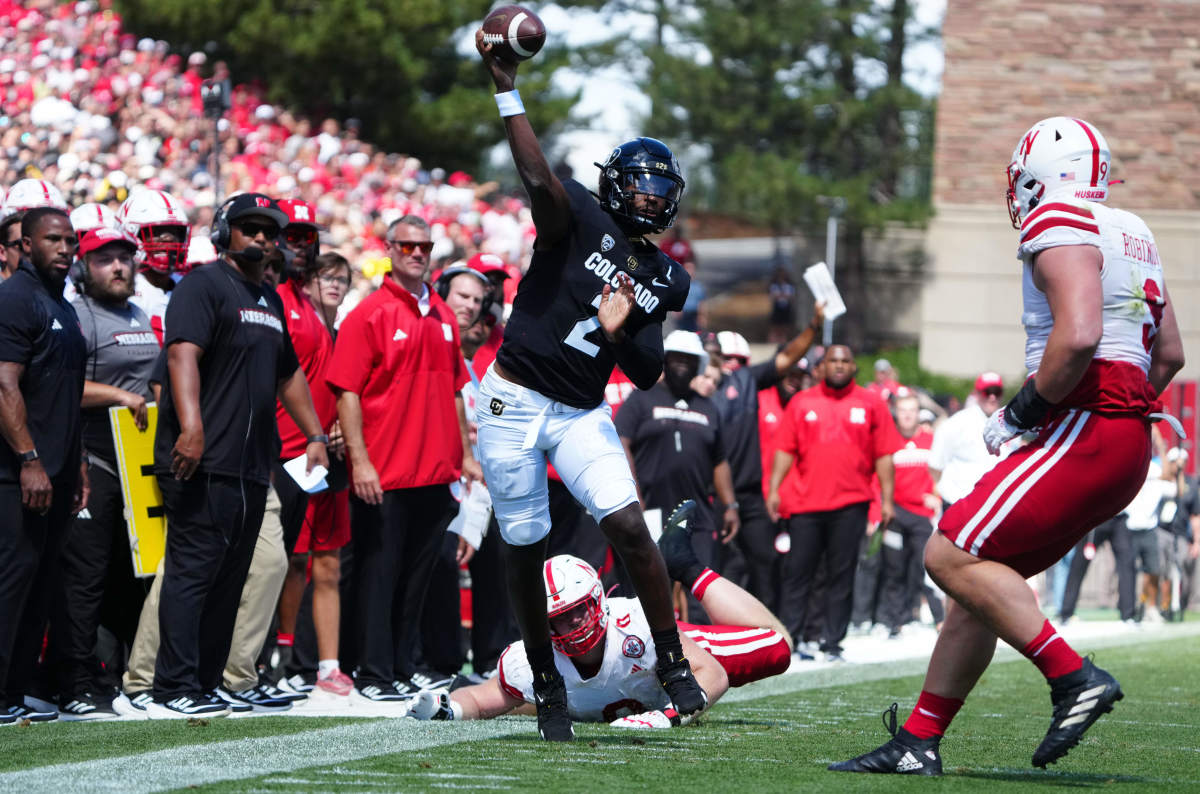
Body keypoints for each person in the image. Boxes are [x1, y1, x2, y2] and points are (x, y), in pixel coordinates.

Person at [832, 117, 1185, 775]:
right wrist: (1119, 412)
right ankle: (918, 741)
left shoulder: (1057, 215)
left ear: (1043, 175)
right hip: (1125, 435)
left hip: (1085, 421)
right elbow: (1169, 355)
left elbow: (1078, 336)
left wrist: (1027, 412)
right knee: (984, 583)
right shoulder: (1134, 229)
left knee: (949, 554)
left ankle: (1071, 677)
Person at [473, 29, 703, 743]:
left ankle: (672, 665)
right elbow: (539, 179)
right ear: (613, 184)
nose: (650, 195)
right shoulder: (576, 217)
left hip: (577, 409)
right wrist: (507, 87)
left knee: (630, 525)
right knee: (524, 543)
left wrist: (615, 330)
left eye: (660, 187)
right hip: (513, 398)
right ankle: (544, 684)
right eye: (640, 182)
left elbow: (645, 370)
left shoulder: (666, 275)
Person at [148, 193, 329, 719]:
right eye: (251, 228)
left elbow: (288, 374)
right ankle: (171, 686)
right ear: (224, 231)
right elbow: (182, 354)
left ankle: (203, 683)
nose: (264, 239)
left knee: (230, 578)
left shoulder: (268, 298)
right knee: (192, 573)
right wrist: (192, 428)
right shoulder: (201, 286)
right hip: (200, 458)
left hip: (253, 464)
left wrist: (314, 433)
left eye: (271, 232)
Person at [408, 501, 791, 725]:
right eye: (560, 616)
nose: (573, 623)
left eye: (579, 610)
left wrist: (669, 717)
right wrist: (448, 708)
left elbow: (713, 673)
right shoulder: (528, 660)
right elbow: (484, 696)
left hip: (674, 661)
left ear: (598, 602)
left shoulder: (635, 625)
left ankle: (686, 565)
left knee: (779, 647)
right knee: (533, 699)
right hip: (620, 693)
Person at [326, 215, 479, 702]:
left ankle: (401, 664)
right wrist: (361, 461)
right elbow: (346, 392)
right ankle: (372, 672)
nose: (416, 253)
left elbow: (457, 389)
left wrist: (467, 454)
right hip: (385, 471)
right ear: (389, 248)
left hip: (436, 471)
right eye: (407, 245)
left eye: (424, 246)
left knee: (417, 578)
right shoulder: (368, 313)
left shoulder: (443, 315)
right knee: (378, 573)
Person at [51, 228, 156, 720]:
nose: (117, 267)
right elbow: (62, 385)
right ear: (82, 267)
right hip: (92, 456)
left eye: (124, 258)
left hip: (137, 463)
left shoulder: (137, 314)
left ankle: (111, 676)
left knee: (127, 574)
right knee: (84, 577)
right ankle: (72, 679)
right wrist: (120, 395)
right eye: (104, 260)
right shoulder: (78, 315)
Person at [0, 207, 88, 724]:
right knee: (10, 580)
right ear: (25, 245)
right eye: (53, 239)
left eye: (70, 240)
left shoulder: (64, 304)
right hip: (15, 474)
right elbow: (4, 385)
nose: (65, 248)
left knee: (39, 583)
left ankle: (14, 691)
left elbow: (66, 394)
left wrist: (73, 465)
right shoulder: (14, 299)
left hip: (56, 470)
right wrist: (29, 459)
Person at [767, 344, 901, 661]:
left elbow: (884, 454)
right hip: (804, 505)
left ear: (854, 367)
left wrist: (888, 500)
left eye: (845, 361)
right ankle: (791, 641)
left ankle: (832, 644)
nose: (839, 366)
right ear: (821, 367)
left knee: (841, 576)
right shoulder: (801, 402)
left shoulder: (871, 404)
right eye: (833, 361)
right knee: (799, 574)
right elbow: (785, 449)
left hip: (851, 503)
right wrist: (774, 489)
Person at [615, 330, 740, 613]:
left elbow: (720, 460)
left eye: (689, 359)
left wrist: (730, 505)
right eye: (675, 358)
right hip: (651, 510)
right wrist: (633, 498)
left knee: (700, 593)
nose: (682, 364)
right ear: (664, 361)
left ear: (699, 364)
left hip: (697, 515)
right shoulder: (642, 398)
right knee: (646, 593)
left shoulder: (708, 407)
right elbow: (621, 442)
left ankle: (702, 653)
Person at [707, 308, 822, 612]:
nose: (732, 365)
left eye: (739, 360)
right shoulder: (694, 389)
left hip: (749, 493)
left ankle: (765, 632)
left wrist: (813, 324)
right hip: (709, 494)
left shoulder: (746, 382)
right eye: (724, 358)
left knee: (766, 561)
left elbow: (787, 359)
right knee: (712, 566)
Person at [877, 393, 943, 637]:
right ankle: (896, 621)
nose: (907, 415)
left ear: (918, 413)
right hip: (895, 514)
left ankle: (939, 619)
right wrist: (879, 510)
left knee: (927, 567)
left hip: (922, 515)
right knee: (893, 569)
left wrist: (936, 496)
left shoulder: (931, 439)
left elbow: (941, 471)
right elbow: (877, 478)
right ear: (896, 412)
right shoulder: (887, 440)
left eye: (912, 410)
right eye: (902, 410)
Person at [120, 189, 191, 344]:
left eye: (175, 232)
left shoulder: (189, 286)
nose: (169, 239)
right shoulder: (123, 289)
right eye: (157, 232)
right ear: (131, 235)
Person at [928, 373, 1003, 510]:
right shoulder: (956, 423)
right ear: (977, 394)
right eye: (987, 392)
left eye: (996, 392)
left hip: (992, 506)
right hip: (957, 503)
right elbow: (935, 466)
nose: (992, 397)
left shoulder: (1009, 424)